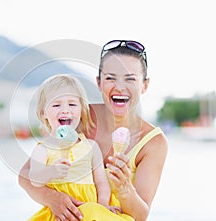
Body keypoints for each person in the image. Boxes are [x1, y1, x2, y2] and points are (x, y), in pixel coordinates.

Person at [19, 40, 168, 221]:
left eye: (130, 79)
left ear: (144, 85)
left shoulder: (153, 143)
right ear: (99, 83)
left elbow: (140, 216)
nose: (119, 87)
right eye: (110, 78)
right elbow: (25, 176)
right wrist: (52, 198)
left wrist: (124, 188)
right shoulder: (76, 115)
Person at [28, 74, 123, 220]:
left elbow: (101, 182)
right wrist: (51, 171)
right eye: (56, 105)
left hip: (92, 211)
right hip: (60, 215)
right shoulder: (43, 149)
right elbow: (34, 179)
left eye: (72, 104)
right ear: (43, 113)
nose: (65, 110)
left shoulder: (91, 146)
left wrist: (102, 205)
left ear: (81, 111)